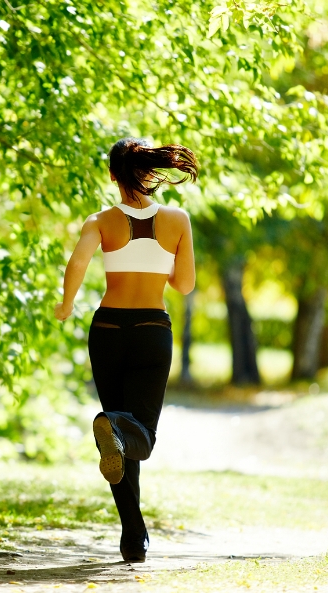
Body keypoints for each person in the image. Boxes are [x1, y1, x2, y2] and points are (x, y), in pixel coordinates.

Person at [54, 137, 197, 563]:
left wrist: (66, 304)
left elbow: (78, 263)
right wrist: (163, 261)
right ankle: (113, 425)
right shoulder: (177, 220)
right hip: (152, 328)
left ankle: (133, 536)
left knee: (118, 441)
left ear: (113, 175)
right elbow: (185, 285)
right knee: (140, 436)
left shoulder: (100, 220)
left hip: (108, 329)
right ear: (149, 171)